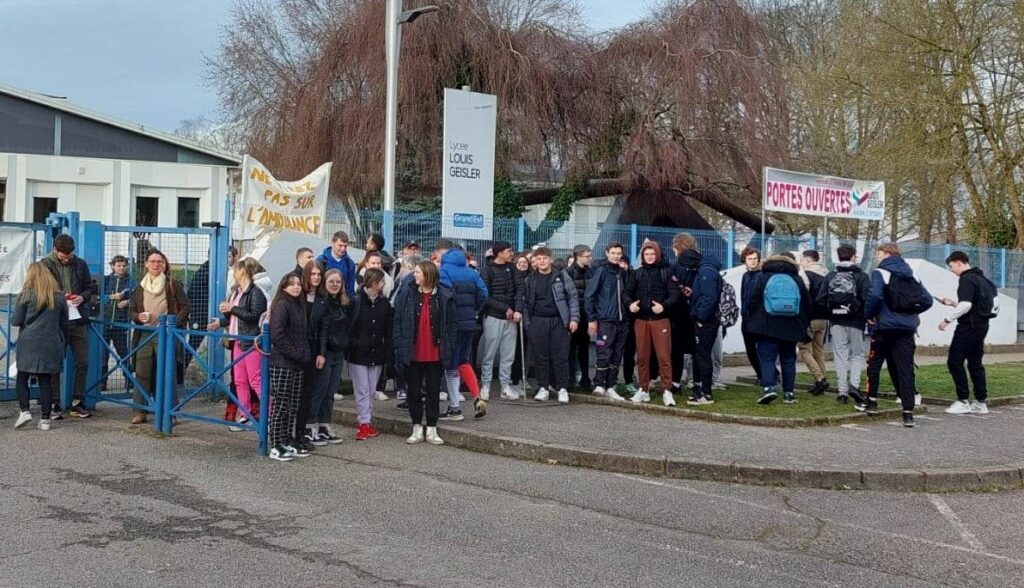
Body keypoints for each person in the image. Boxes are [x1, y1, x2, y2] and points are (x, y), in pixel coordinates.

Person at [863, 243, 933, 427]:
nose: (877, 256)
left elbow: (875, 295)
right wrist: (911, 312)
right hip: (906, 329)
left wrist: (869, 315)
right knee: (905, 368)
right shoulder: (912, 275)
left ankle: (871, 401)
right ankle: (908, 412)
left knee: (874, 364)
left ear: (886, 254)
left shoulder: (881, 273)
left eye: (878, 253)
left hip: (883, 326)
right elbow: (927, 300)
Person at [393, 260, 455, 446]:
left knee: (433, 391)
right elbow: (398, 320)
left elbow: (451, 325)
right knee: (413, 391)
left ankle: (432, 428)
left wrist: (449, 346)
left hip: (435, 352)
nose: (415, 275)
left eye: (418, 272)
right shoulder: (406, 293)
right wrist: (398, 344)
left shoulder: (445, 295)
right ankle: (416, 427)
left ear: (428, 275)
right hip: (413, 351)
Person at [128, 249, 190, 425]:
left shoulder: (172, 284)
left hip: (166, 335)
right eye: (153, 261)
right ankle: (140, 411)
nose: (156, 264)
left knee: (167, 372)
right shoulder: (139, 286)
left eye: (159, 262)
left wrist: (173, 322)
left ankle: (170, 412)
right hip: (144, 334)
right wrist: (137, 317)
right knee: (142, 372)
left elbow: (186, 306)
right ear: (146, 264)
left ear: (164, 264)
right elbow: (132, 309)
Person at [743, 253, 812, 405]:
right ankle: (789, 393)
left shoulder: (763, 278)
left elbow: (752, 302)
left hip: (767, 327)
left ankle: (769, 388)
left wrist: (753, 322)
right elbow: (807, 305)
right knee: (788, 359)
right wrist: (803, 324)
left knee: (767, 358)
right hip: (791, 328)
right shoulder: (797, 280)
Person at [208, 258, 267, 431]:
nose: (234, 273)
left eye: (236, 269)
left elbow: (254, 316)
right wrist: (221, 321)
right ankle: (245, 414)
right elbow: (234, 318)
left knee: (255, 380)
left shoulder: (255, 292)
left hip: (250, 340)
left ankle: (270, 413)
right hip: (237, 340)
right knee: (240, 380)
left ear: (242, 271)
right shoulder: (237, 292)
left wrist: (232, 309)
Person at [41, 233, 93, 419]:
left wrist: (82, 297)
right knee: (54, 362)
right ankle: (54, 403)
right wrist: (57, 299)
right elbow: (39, 291)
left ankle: (77, 402)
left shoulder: (80, 263)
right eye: (63, 257)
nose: (67, 260)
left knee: (83, 361)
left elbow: (89, 287)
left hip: (77, 319)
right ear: (55, 250)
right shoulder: (44, 265)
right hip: (55, 320)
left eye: (69, 256)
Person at [939, 251, 998, 415]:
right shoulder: (983, 279)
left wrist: (947, 319)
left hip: (967, 327)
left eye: (951, 266)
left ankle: (963, 400)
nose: (951, 270)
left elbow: (966, 305)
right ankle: (980, 401)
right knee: (975, 363)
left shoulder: (966, 279)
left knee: (954, 361)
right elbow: (975, 304)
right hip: (982, 325)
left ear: (959, 263)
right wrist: (953, 304)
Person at [12, 262, 68, 430]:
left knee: (22, 377)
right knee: (45, 380)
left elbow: (16, 321)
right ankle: (45, 419)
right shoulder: (58, 296)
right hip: (51, 342)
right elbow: (64, 322)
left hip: (29, 341)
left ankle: (25, 411)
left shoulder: (25, 294)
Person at [520, 247, 579, 404]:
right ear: (535, 261)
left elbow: (573, 297)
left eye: (545, 258)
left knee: (560, 356)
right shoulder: (530, 280)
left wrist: (574, 318)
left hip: (559, 320)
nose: (542, 261)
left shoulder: (562, 276)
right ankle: (543, 388)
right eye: (539, 259)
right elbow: (524, 304)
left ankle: (562, 388)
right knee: (540, 357)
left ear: (550, 260)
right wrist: (528, 324)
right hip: (537, 321)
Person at [624, 241, 679, 404]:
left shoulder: (666, 272)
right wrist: (630, 304)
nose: (649, 257)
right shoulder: (637, 273)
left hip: (660, 321)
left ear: (658, 254)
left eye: (652, 254)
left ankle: (667, 390)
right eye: (646, 254)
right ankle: (643, 389)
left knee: (664, 357)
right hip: (640, 321)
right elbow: (626, 292)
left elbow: (675, 294)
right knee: (642, 357)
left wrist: (664, 306)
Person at [438, 245, 488, 419]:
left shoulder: (444, 272)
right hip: (469, 323)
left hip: (452, 324)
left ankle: (454, 408)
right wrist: (474, 310)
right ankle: (477, 397)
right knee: (464, 361)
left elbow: (445, 296)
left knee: (451, 364)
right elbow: (484, 293)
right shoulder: (472, 273)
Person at [817, 244, 870, 403]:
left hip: (836, 322)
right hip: (856, 321)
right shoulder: (862, 276)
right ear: (854, 256)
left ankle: (842, 392)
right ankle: (854, 386)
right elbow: (868, 298)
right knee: (857, 355)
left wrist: (832, 312)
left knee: (840, 356)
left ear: (838, 257)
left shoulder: (831, 276)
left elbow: (820, 299)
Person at [267, 273, 311, 461]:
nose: (296, 287)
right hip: (283, 363)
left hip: (297, 363)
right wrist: (295, 353)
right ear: (284, 287)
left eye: (298, 284)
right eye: (292, 284)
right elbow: (277, 335)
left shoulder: (297, 306)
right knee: (281, 405)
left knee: (291, 405)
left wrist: (303, 355)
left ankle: (285, 440)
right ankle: (275, 444)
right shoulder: (282, 305)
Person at [348, 268, 393, 439]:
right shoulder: (356, 301)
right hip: (359, 353)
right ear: (375, 283)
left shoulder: (385, 304)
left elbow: (387, 330)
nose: (383, 284)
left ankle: (367, 420)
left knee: (371, 388)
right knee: (362, 389)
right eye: (381, 281)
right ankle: (363, 422)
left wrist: (388, 352)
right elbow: (349, 326)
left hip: (377, 352)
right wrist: (354, 344)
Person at [478, 241, 523, 401]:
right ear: (499, 253)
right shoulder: (487, 271)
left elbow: (520, 291)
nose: (511, 254)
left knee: (508, 354)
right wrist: (505, 309)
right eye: (508, 251)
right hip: (493, 316)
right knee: (489, 353)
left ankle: (505, 386)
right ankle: (486, 386)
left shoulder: (513, 269)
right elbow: (485, 296)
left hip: (512, 318)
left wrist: (517, 309)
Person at [585, 242, 629, 402]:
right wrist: (591, 319)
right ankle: (599, 384)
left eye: (619, 253)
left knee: (617, 354)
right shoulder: (602, 271)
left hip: (622, 321)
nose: (616, 256)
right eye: (613, 253)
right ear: (607, 253)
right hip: (605, 321)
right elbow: (590, 296)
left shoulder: (623, 273)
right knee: (604, 352)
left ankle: (611, 386)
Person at [309, 269, 350, 444]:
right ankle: (310, 426)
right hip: (323, 353)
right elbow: (319, 330)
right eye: (331, 281)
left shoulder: (343, 303)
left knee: (330, 392)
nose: (334, 285)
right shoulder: (321, 302)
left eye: (338, 282)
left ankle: (324, 424)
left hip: (338, 352)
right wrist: (321, 352)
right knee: (320, 390)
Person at [187, 246, 238, 368]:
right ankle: (178, 377)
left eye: (229, 257)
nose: (226, 260)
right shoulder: (208, 271)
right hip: (202, 315)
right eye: (224, 257)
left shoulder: (212, 269)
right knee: (191, 347)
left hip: (208, 315)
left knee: (194, 347)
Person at [296, 263, 328, 453]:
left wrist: (321, 353)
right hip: (296, 348)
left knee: (308, 392)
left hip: (313, 348)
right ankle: (290, 433)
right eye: (313, 274)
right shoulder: (298, 295)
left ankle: (302, 432)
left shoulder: (322, 299)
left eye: (319, 274)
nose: (316, 277)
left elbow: (324, 328)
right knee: (295, 393)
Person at [686, 247, 723, 405]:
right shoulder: (708, 270)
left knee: (703, 356)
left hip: (706, 321)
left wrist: (700, 317)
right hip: (708, 319)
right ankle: (701, 390)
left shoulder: (705, 272)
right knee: (701, 355)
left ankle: (706, 394)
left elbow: (709, 298)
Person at [100, 255, 136, 390]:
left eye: (123, 265)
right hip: (105, 323)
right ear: (112, 266)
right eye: (119, 265)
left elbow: (138, 297)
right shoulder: (106, 280)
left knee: (124, 353)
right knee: (103, 354)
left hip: (121, 324)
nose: (121, 268)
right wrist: (110, 297)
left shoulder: (131, 281)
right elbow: (97, 297)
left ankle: (130, 380)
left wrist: (128, 301)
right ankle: (103, 382)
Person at [798, 250, 830, 394]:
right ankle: (822, 382)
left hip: (810, 318)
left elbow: (804, 297)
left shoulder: (806, 275)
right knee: (819, 351)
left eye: (803, 260)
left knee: (804, 349)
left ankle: (819, 378)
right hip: (824, 319)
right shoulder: (827, 275)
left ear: (809, 261)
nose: (801, 263)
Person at [392, 254, 421, 408]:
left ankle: (412, 398)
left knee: (407, 366)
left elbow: (398, 304)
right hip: (413, 331)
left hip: (406, 330)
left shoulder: (407, 282)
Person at [670, 233, 698, 392]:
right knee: (696, 349)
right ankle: (695, 381)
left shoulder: (675, 267)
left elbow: (673, 287)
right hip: (694, 312)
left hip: (679, 312)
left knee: (677, 349)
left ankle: (675, 381)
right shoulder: (700, 265)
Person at [566, 245, 595, 391]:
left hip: (587, 315)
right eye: (587, 256)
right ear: (578, 256)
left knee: (585, 348)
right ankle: (570, 379)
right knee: (570, 348)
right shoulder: (568, 273)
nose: (590, 259)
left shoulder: (592, 272)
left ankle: (585, 378)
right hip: (573, 316)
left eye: (590, 256)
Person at [739, 247, 768, 385]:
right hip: (746, 317)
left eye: (755, 258)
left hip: (758, 318)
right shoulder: (746, 276)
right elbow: (743, 296)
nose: (753, 261)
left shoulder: (761, 275)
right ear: (745, 260)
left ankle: (766, 375)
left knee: (760, 349)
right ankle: (762, 373)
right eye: (750, 259)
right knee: (750, 349)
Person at [510, 253, 532, 391]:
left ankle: (523, 378)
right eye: (520, 263)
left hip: (529, 317)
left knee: (525, 349)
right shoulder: (512, 278)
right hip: (516, 316)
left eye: (525, 262)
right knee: (515, 349)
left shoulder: (531, 278)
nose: (523, 265)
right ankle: (514, 378)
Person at [317, 230, 357, 297]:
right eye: (340, 245)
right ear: (332, 243)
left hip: (342, 301)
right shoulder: (321, 261)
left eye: (345, 246)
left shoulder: (350, 264)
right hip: (324, 299)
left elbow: (350, 287)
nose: (343, 249)